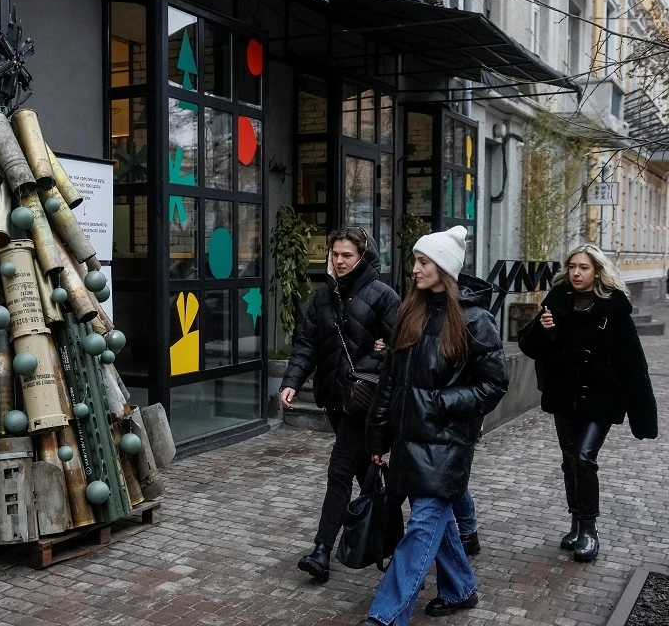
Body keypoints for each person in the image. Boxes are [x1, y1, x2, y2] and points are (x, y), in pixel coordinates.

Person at [359, 226, 508, 626]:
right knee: (436, 524)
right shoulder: (411, 313)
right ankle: (459, 588)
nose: (415, 269)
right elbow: (390, 381)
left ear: (444, 267)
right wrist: (377, 438)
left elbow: (495, 384)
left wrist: (442, 402)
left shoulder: (475, 320)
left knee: (422, 528)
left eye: (423, 261)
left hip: (447, 443)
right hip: (408, 442)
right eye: (415, 261)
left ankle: (386, 616)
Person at [518, 244, 657, 562]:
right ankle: (575, 523)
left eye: (583, 267)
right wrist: (543, 330)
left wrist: (643, 416)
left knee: (583, 457)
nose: (576, 273)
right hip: (564, 396)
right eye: (572, 267)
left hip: (602, 398)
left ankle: (589, 530)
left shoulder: (614, 309)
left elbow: (633, 364)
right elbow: (529, 346)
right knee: (569, 460)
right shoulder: (556, 302)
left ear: (597, 271)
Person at [280, 227, 400, 583]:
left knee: (340, 470)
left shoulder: (383, 296)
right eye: (335, 254)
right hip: (336, 400)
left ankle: (322, 550)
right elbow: (307, 343)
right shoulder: (324, 296)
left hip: (365, 402)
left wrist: (372, 361)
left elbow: (402, 348)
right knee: (367, 475)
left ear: (363, 256)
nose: (340, 261)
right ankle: (393, 543)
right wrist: (292, 382)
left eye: (347, 255)